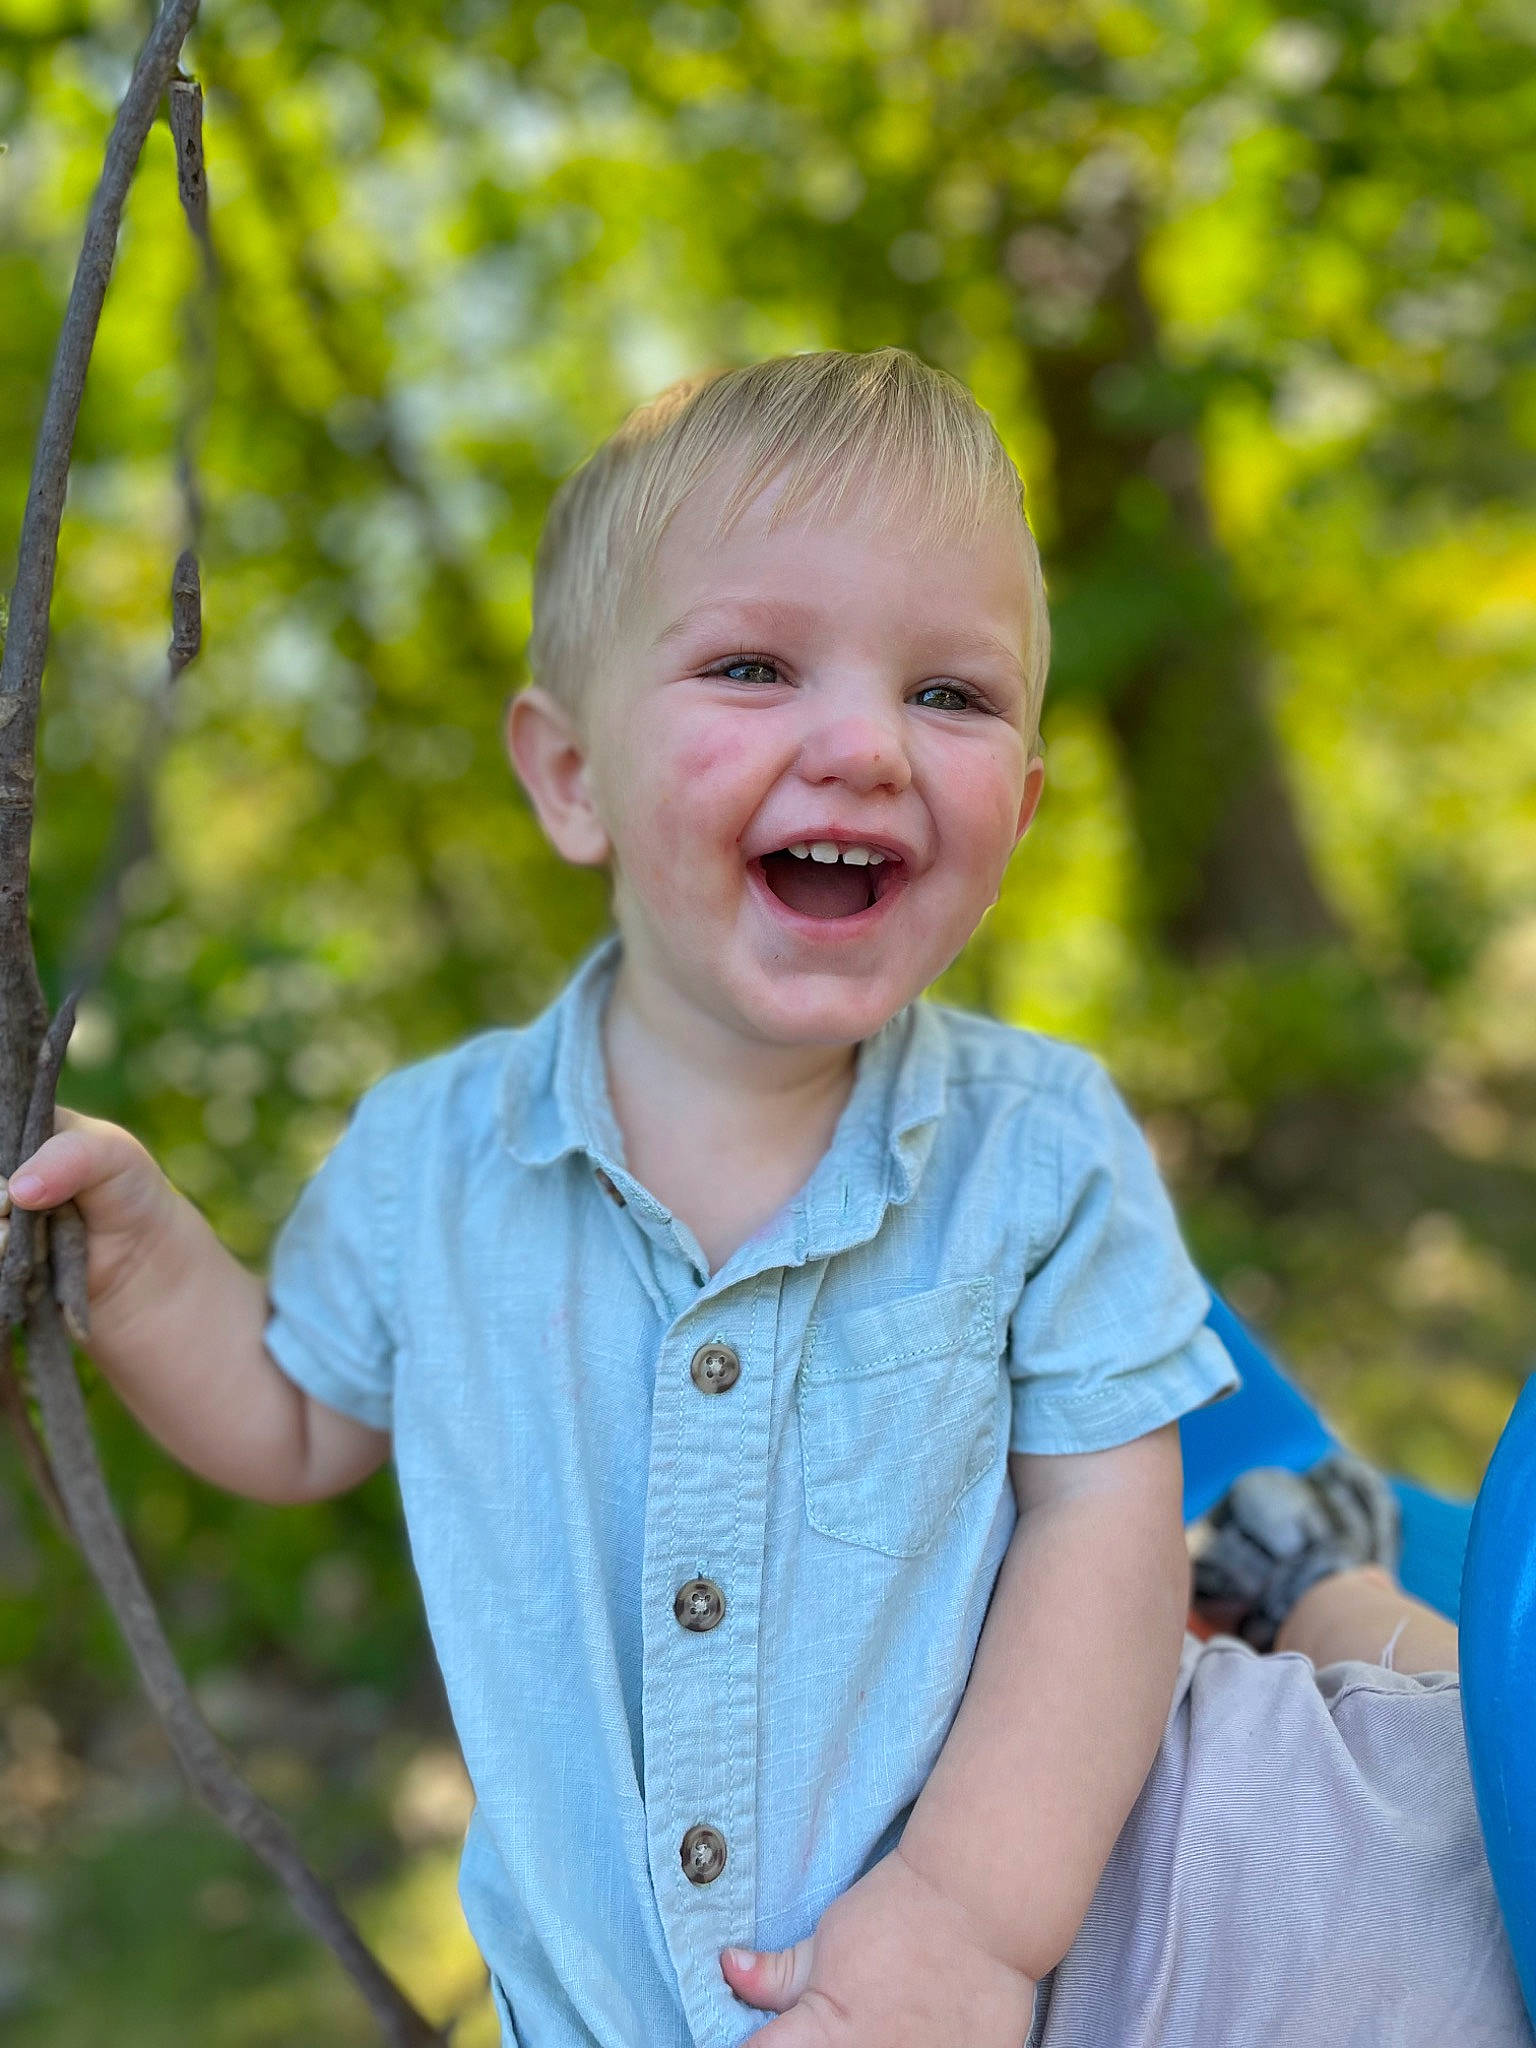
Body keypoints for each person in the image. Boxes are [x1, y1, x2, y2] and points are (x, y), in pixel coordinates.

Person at [9, 349, 1528, 2048]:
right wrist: (139, 1263)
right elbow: (293, 1422)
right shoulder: (431, 1161)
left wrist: (962, 1918)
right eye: (752, 665)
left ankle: (1328, 1580)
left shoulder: (1038, 1150)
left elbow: (1101, 1537)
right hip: (631, 2003)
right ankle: (1304, 1562)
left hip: (1170, 1935)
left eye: (952, 696)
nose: (868, 744)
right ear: (571, 776)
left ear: (1016, 808)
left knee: (1485, 1855)